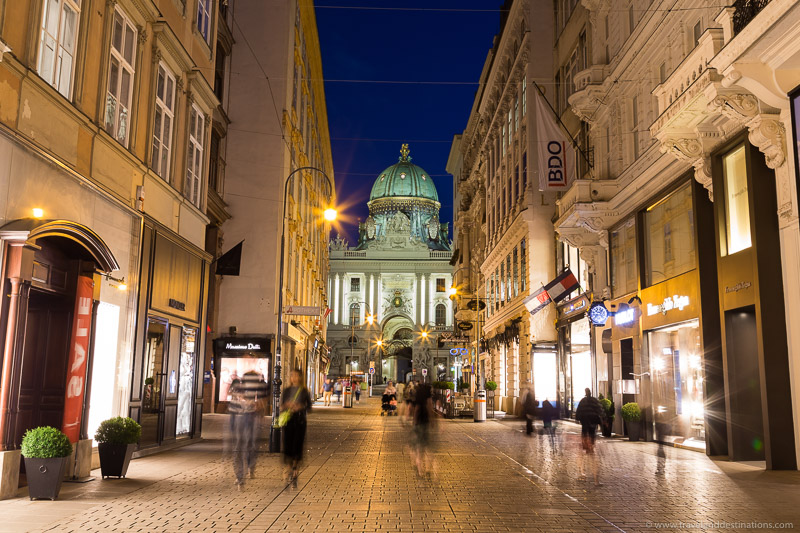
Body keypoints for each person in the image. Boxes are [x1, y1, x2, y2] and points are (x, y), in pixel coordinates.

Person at [227, 365, 268, 490]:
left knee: (247, 446)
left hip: (248, 420)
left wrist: (257, 408)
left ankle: (247, 471)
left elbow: (262, 403)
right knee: (240, 447)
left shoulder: (256, 393)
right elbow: (232, 396)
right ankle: (240, 477)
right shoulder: (238, 386)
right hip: (238, 420)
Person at [281, 369, 312, 488]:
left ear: (300, 377)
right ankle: (289, 469)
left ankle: (295, 469)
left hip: (300, 422)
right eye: (292, 375)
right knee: (288, 446)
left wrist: (300, 407)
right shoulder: (287, 390)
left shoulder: (304, 391)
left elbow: (309, 407)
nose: (294, 378)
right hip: (288, 421)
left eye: (296, 376)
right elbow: (282, 405)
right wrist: (287, 405)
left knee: (297, 446)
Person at [575, 387, 604, 485]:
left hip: (585, 422)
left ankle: (587, 446)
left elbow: (579, 410)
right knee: (592, 433)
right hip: (592, 422)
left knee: (585, 433)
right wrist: (602, 419)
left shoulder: (583, 401)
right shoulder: (594, 400)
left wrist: (577, 418)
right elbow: (599, 409)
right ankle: (590, 445)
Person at [410, 382, 437, 479]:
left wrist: (414, 421)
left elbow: (416, 410)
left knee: (419, 449)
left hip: (418, 424)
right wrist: (432, 420)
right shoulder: (428, 398)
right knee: (427, 447)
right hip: (425, 423)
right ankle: (428, 469)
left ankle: (420, 470)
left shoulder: (418, 399)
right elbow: (430, 409)